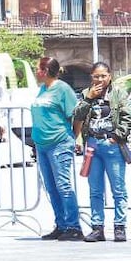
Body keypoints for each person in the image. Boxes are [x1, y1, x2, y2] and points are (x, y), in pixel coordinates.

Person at [72, 61, 130, 242]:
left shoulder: (119, 93)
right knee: (95, 189)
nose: (100, 79)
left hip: (112, 145)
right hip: (92, 145)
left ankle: (120, 227)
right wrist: (89, 98)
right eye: (96, 76)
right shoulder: (85, 93)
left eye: (103, 76)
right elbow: (77, 115)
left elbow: (127, 117)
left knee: (118, 189)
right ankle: (97, 228)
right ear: (91, 77)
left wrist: (117, 136)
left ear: (110, 76)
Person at [31, 57, 83, 241]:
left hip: (59, 142)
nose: (35, 72)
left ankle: (74, 226)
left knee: (63, 185)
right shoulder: (43, 89)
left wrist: (74, 136)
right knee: (51, 188)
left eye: (37, 68)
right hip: (42, 145)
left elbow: (76, 115)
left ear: (44, 71)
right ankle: (61, 224)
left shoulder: (63, 89)